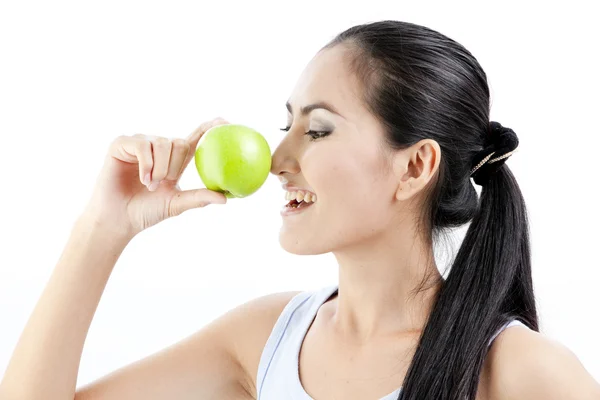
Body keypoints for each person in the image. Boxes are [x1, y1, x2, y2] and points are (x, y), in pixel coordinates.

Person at [1, 20, 598, 400]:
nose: (276, 158)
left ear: (414, 166)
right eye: (286, 124)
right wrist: (101, 229)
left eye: (316, 130)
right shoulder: (266, 341)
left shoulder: (522, 373)